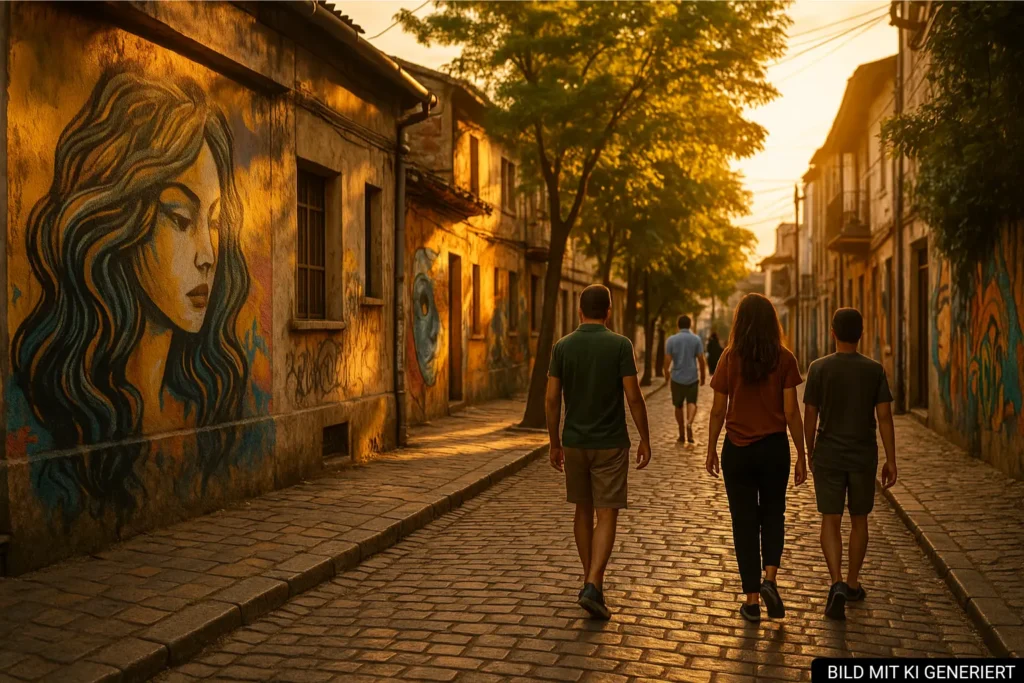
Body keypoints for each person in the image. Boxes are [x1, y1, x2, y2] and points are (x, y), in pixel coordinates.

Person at [546, 284, 652, 620]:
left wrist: (554, 442)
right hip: (610, 444)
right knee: (607, 514)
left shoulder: (562, 347)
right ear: (608, 311)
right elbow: (633, 396)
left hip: (574, 442)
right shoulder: (620, 345)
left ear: (580, 311)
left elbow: (551, 398)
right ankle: (593, 582)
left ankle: (590, 581)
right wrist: (645, 438)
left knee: (582, 509)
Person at [705, 293, 807, 623]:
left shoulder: (729, 357)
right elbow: (791, 411)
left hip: (737, 450)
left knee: (744, 522)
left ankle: (751, 601)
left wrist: (710, 448)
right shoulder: (785, 358)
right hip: (774, 448)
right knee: (774, 514)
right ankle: (770, 580)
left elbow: (718, 409)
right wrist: (802, 454)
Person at [803, 308, 897, 621]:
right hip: (862, 456)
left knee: (830, 520)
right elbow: (884, 417)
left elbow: (810, 414)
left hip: (828, 454)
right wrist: (891, 459)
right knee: (859, 520)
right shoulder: (874, 370)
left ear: (833, 333)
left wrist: (809, 450)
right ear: (861, 334)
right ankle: (853, 582)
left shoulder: (818, 368)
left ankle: (836, 583)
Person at [664, 315, 706, 444]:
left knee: (678, 405)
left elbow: (667, 360)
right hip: (692, 377)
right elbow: (701, 359)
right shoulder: (696, 339)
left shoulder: (671, 340)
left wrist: (666, 374)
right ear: (690, 325)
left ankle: (681, 432)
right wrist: (703, 376)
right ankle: (689, 423)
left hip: (676, 378)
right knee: (692, 402)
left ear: (678, 325)